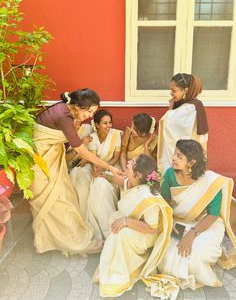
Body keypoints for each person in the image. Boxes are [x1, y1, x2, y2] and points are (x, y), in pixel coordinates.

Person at [30, 89, 120, 255]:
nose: (90, 116)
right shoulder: (64, 116)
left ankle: (53, 239)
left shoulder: (64, 109)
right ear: (79, 106)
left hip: (49, 158)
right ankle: (69, 241)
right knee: (56, 200)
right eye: (90, 111)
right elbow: (81, 150)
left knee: (62, 198)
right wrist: (110, 167)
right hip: (42, 161)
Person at [158, 139, 236, 290]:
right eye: (175, 154)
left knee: (197, 252)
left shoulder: (210, 182)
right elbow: (165, 201)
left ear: (192, 162)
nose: (173, 158)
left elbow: (213, 215)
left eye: (179, 156)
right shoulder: (170, 174)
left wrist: (192, 233)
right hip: (179, 219)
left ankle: (205, 276)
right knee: (168, 252)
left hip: (207, 222)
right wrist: (169, 223)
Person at [95, 154, 173, 297]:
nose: (128, 162)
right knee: (116, 228)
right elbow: (118, 181)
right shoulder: (132, 182)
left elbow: (152, 228)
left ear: (138, 174)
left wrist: (126, 222)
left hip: (146, 235)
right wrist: (104, 176)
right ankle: (112, 262)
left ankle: (118, 278)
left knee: (120, 233)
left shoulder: (148, 197)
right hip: (135, 226)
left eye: (132, 162)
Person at [70, 109, 122, 223]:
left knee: (101, 183)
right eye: (105, 123)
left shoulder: (116, 134)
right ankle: (92, 219)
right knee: (91, 181)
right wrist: (96, 169)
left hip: (112, 165)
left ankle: (107, 217)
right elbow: (93, 158)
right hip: (97, 164)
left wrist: (105, 167)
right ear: (97, 125)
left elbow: (116, 157)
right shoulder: (92, 137)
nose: (108, 126)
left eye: (110, 122)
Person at [157, 73, 208, 174]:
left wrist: (170, 109)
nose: (171, 93)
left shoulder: (190, 108)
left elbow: (169, 124)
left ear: (185, 90)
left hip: (186, 157)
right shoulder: (189, 105)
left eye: (174, 90)